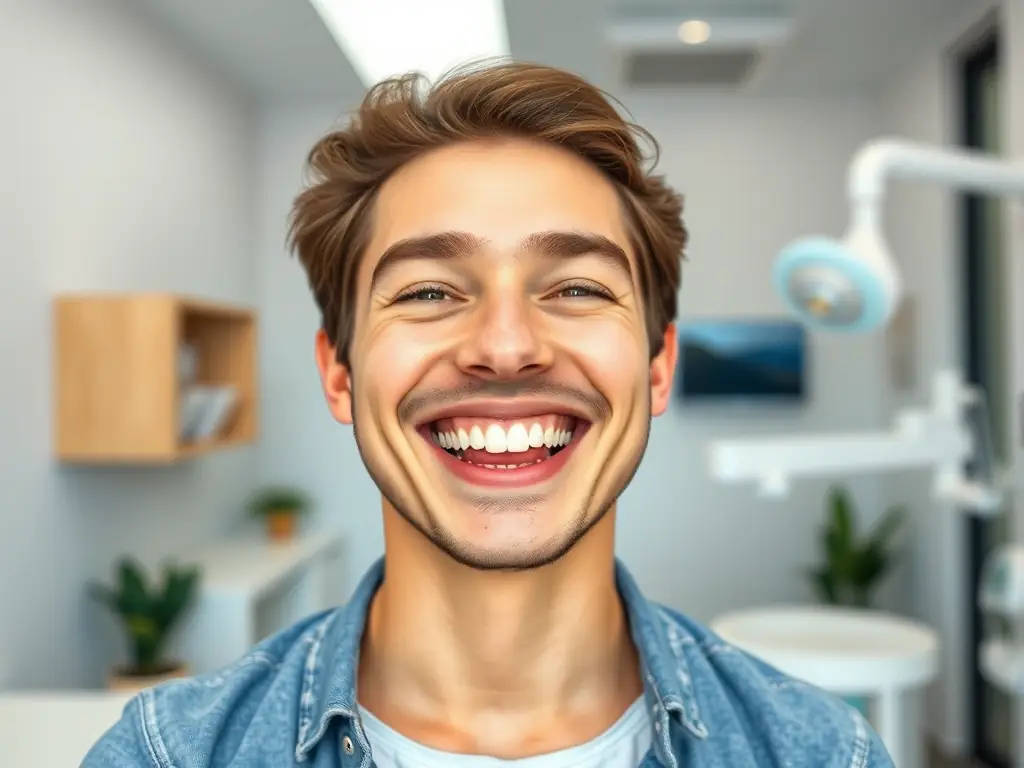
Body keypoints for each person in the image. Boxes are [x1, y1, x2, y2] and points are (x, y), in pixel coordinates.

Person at [85, 61, 893, 767]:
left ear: (658, 368)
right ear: (339, 372)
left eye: (576, 288)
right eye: (430, 291)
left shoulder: (823, 753)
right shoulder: (167, 754)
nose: (506, 347)